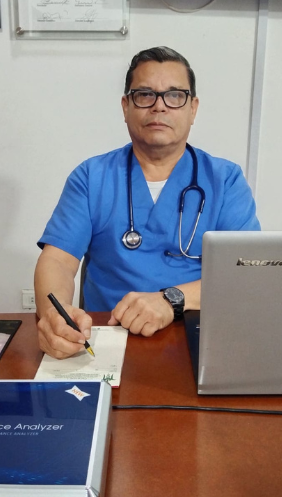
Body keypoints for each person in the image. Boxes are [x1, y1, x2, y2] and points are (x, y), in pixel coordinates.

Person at [35, 46, 260, 359]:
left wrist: (172, 300)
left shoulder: (225, 180)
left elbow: (247, 273)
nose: (159, 106)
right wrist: (54, 315)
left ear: (193, 109)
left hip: (199, 338)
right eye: (145, 95)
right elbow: (58, 261)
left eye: (175, 95)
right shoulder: (91, 177)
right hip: (106, 340)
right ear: (126, 106)